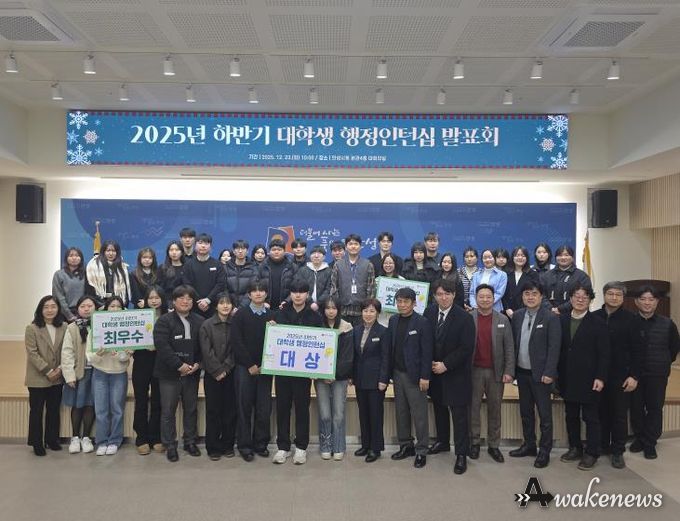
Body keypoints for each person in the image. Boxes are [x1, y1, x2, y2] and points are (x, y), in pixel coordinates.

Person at [423, 279, 475, 475]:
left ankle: (461, 454)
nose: (443, 298)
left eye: (447, 294)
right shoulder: (429, 312)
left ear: (454, 295)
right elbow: (426, 340)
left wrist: (446, 365)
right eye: (439, 294)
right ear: (434, 296)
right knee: (439, 409)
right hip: (434, 372)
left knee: (459, 416)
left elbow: (466, 348)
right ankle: (442, 442)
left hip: (456, 374)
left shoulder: (464, 317)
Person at [509, 280, 561, 468]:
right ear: (522, 296)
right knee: (526, 412)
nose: (530, 297)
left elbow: (554, 347)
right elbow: (513, 344)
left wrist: (549, 372)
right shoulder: (517, 316)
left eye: (534, 294)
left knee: (544, 416)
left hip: (541, 375)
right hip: (522, 374)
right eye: (527, 294)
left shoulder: (550, 317)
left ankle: (544, 451)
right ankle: (529, 445)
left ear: (541, 296)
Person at [558, 284, 610, 471]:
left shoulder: (598, 322)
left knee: (591, 417)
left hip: (590, 378)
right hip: (567, 377)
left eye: (585, 297)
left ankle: (592, 452)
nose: (580, 300)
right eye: (576, 296)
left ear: (590, 300)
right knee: (571, 415)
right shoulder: (562, 320)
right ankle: (575, 448)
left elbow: (605, 353)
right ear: (570, 298)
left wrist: (601, 377)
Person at [271, 280, 323, 465]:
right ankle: (283, 447)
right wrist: (272, 329)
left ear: (307, 294)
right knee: (282, 408)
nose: (298, 295)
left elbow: (320, 343)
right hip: (283, 370)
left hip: (303, 372)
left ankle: (301, 447)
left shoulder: (315, 317)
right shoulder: (280, 314)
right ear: (290, 294)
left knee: (302, 408)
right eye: (294, 292)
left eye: (302, 292)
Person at [592, 281, 642, 468]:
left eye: (618, 295)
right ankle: (603, 446)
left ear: (623, 298)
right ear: (604, 295)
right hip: (598, 376)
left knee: (619, 415)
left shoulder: (632, 319)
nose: (614, 297)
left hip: (621, 376)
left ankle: (617, 451)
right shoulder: (593, 317)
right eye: (611, 294)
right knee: (600, 413)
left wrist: (634, 376)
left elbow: (638, 351)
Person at [153, 285, 204, 462]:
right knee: (168, 411)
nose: (185, 301)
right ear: (173, 301)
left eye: (189, 298)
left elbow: (203, 345)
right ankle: (170, 445)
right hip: (169, 374)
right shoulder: (164, 321)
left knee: (191, 409)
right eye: (181, 298)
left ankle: (190, 441)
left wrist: (198, 363)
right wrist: (179, 365)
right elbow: (162, 346)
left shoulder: (199, 320)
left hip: (192, 373)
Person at [630, 285, 680, 459]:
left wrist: (663, 362)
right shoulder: (630, 322)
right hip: (634, 375)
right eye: (643, 299)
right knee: (636, 408)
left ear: (657, 302)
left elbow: (674, 348)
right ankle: (639, 438)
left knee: (655, 408)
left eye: (651, 299)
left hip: (657, 373)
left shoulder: (668, 324)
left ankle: (650, 442)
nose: (647, 303)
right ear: (636, 301)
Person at [469, 284, 515, 463]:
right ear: (476, 298)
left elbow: (509, 347)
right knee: (473, 408)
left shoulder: (502, 319)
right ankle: (474, 442)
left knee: (495, 409)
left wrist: (509, 371)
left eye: (488, 296)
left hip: (496, 372)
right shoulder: (469, 317)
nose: (485, 300)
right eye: (481, 296)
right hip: (474, 371)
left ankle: (494, 445)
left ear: (494, 298)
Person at [388, 287, 433, 469]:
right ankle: (406, 446)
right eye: (399, 301)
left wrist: (425, 376)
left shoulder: (422, 322)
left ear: (414, 303)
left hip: (415, 376)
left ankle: (422, 450)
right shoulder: (393, 320)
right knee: (401, 413)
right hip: (397, 374)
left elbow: (427, 352)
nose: (402, 305)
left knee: (419, 414)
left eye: (406, 301)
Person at [232, 280, 274, 461]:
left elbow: (276, 342)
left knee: (264, 409)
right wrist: (250, 365)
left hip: (265, 368)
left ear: (266, 293)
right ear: (249, 294)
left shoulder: (272, 316)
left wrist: (266, 364)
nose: (258, 293)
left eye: (261, 290)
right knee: (244, 407)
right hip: (245, 368)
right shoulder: (240, 315)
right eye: (254, 291)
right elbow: (237, 342)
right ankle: (244, 446)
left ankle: (261, 444)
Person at [25, 295, 67, 456]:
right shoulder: (32, 328)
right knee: (36, 411)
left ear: (58, 309)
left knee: (53, 409)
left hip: (58, 375)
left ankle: (52, 439)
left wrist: (60, 369)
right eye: (46, 307)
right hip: (38, 376)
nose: (50, 310)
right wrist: (48, 371)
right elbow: (32, 353)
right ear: (40, 310)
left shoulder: (64, 326)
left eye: (53, 306)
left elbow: (67, 350)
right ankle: (37, 443)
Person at [88, 296, 130, 456]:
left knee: (117, 409)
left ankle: (114, 441)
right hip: (100, 373)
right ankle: (102, 441)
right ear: (106, 309)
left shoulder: (127, 328)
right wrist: (99, 353)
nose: (115, 309)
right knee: (101, 410)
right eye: (112, 306)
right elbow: (90, 358)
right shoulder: (96, 328)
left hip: (119, 374)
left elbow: (125, 359)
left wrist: (121, 354)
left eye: (118, 306)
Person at [199, 292, 237, 461]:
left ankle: (228, 445)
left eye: (228, 303)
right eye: (221, 303)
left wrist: (226, 368)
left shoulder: (235, 323)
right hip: (212, 375)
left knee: (230, 410)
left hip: (230, 373)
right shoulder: (206, 325)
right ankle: (213, 447)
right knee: (213, 410)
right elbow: (206, 351)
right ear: (215, 306)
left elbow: (236, 349)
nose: (225, 306)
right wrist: (217, 370)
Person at [315, 297, 353, 461]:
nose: (331, 311)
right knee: (324, 414)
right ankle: (325, 446)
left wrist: (334, 374)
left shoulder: (346, 327)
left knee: (338, 414)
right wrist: (324, 374)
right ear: (323, 310)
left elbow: (347, 357)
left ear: (339, 310)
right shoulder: (317, 327)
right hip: (320, 377)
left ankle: (338, 447)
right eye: (327, 308)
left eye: (334, 308)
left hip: (340, 377)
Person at [353, 298, 390, 462]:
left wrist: (384, 379)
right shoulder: (356, 330)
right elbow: (354, 356)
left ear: (378, 313)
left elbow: (386, 358)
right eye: (365, 311)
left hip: (376, 381)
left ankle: (376, 448)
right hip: (360, 379)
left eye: (372, 311)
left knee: (375, 415)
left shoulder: (383, 331)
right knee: (363, 413)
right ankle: (365, 445)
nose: (368, 314)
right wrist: (351, 376)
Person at [61, 295, 98, 455]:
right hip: (79, 373)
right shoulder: (72, 328)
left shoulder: (102, 324)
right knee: (78, 405)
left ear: (96, 308)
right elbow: (66, 353)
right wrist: (69, 375)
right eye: (83, 306)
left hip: (97, 372)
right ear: (78, 309)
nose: (86, 309)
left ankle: (86, 437)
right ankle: (75, 437)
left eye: (90, 306)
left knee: (91, 405)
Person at [132, 286, 165, 455]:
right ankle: (141, 438)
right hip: (142, 361)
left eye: (157, 297)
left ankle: (156, 437)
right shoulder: (138, 316)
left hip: (161, 362)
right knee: (141, 400)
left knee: (158, 401)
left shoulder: (168, 316)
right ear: (145, 300)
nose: (154, 301)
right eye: (151, 298)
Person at [330, 234, 376, 326]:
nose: (353, 246)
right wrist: (337, 306)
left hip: (361, 311)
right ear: (346, 247)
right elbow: (334, 287)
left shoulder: (368, 264)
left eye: (356, 244)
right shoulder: (338, 265)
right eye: (350, 244)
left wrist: (367, 309)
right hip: (342, 310)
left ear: (360, 246)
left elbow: (371, 288)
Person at [182, 233, 225, 318]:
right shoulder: (188, 265)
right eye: (200, 243)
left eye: (206, 243)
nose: (203, 246)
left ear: (210, 247)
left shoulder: (217, 264)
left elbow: (221, 284)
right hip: (194, 306)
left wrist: (208, 300)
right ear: (195, 246)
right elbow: (187, 284)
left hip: (213, 306)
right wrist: (199, 301)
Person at [542, 245, 592, 315]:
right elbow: (540, 294)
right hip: (548, 314)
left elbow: (583, 296)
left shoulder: (582, 276)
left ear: (572, 257)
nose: (563, 257)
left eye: (566, 255)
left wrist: (561, 309)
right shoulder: (546, 275)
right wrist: (551, 308)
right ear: (555, 257)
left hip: (573, 314)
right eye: (560, 255)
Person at [85, 240, 131, 307]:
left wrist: (120, 305)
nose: (111, 253)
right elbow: (90, 290)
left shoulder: (123, 267)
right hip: (99, 306)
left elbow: (125, 292)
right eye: (108, 250)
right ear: (103, 252)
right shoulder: (93, 266)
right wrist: (102, 306)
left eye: (113, 251)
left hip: (118, 307)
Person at [502, 246, 539, 318]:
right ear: (513, 257)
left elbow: (535, 293)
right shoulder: (505, 273)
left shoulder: (533, 274)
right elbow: (502, 293)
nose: (520, 258)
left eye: (523, 255)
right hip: (507, 313)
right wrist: (507, 308)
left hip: (526, 312)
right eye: (517, 255)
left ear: (527, 258)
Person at [258, 239, 295, 310]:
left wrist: (287, 301)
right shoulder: (262, 266)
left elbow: (297, 287)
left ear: (284, 251)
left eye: (279, 250)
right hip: (265, 306)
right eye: (273, 250)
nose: (276, 252)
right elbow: (255, 286)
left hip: (287, 307)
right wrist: (262, 301)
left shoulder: (292, 267)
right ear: (269, 251)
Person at [52, 247, 86, 322]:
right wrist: (69, 315)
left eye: (77, 255)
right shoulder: (59, 274)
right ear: (66, 258)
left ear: (81, 258)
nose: (74, 258)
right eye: (71, 255)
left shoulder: (86, 274)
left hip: (84, 312)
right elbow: (59, 296)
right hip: (64, 314)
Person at [293, 245, 331, 312]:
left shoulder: (329, 271)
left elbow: (329, 289)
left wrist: (318, 303)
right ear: (310, 256)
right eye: (313, 253)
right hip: (304, 305)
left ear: (324, 257)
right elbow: (300, 287)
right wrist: (310, 302)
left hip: (324, 306)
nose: (316, 256)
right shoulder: (303, 270)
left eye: (319, 253)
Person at [224, 239, 259, 309]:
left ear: (247, 251)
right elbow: (223, 288)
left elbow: (252, 289)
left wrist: (241, 307)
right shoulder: (226, 267)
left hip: (247, 308)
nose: (240, 251)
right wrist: (231, 306)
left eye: (243, 248)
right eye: (237, 248)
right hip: (228, 307)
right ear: (233, 251)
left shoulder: (254, 268)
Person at [158, 240, 185, 309]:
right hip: (166, 303)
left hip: (183, 302)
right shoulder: (162, 268)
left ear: (182, 252)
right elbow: (159, 288)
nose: (174, 252)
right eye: (171, 250)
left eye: (177, 250)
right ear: (168, 252)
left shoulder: (186, 268)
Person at [458, 247, 479, 311]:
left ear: (477, 258)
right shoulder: (458, 272)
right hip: (460, 306)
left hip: (477, 307)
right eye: (466, 257)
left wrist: (474, 306)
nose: (469, 259)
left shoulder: (481, 273)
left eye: (472, 256)